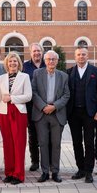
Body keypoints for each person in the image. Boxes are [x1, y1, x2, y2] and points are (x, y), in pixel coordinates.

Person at [31, 50, 70, 183]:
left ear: (57, 61)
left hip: (57, 114)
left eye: (53, 59)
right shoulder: (37, 73)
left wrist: (54, 106)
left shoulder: (63, 76)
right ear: (45, 60)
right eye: (48, 59)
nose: (51, 61)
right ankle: (45, 172)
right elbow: (33, 92)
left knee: (56, 144)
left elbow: (66, 95)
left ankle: (55, 172)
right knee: (43, 143)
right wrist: (43, 106)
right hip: (41, 114)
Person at [67, 47, 97, 183]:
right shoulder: (70, 72)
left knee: (89, 143)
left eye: (83, 54)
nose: (81, 57)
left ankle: (89, 171)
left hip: (90, 113)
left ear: (87, 56)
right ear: (75, 56)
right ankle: (80, 169)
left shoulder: (95, 71)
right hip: (73, 113)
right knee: (76, 142)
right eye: (78, 54)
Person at [0, 52, 32, 184]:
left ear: (19, 63)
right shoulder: (1, 78)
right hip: (3, 113)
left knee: (19, 144)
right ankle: (9, 172)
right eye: (10, 61)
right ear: (6, 64)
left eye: (15, 61)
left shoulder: (25, 77)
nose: (12, 64)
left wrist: (12, 98)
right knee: (7, 144)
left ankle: (18, 174)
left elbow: (28, 96)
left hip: (19, 112)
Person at [23, 43, 46, 171]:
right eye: (34, 51)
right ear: (30, 53)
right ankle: (35, 161)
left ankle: (46, 161)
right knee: (33, 136)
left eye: (39, 51)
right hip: (31, 107)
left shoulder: (47, 63)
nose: (37, 53)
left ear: (42, 52)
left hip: (46, 107)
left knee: (45, 136)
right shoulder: (25, 67)